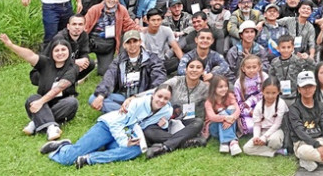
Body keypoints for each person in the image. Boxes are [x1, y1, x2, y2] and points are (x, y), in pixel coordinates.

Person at [41, 85, 173, 169]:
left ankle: (90, 159)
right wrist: (123, 141)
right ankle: (62, 147)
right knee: (67, 159)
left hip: (126, 133)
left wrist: (164, 124)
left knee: (135, 151)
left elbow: (148, 124)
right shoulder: (137, 103)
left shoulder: (166, 110)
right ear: (153, 94)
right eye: (159, 96)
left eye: (166, 98)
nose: (161, 100)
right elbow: (117, 124)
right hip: (109, 126)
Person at [0, 33, 78, 141]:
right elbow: (30, 55)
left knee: (72, 102)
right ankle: (52, 127)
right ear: (51, 53)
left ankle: (36, 121)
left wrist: (40, 102)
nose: (60, 53)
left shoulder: (72, 68)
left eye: (63, 50)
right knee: (32, 98)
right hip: (43, 103)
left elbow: (59, 88)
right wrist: (11, 45)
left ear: (69, 51)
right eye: (57, 50)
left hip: (61, 104)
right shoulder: (45, 62)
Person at [143, 58, 210, 158]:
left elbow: (215, 100)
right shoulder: (176, 81)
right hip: (167, 120)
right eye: (191, 67)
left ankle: (165, 147)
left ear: (202, 71)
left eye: (198, 67)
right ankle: (187, 142)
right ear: (186, 70)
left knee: (198, 122)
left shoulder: (205, 87)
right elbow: (158, 90)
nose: (194, 70)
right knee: (148, 131)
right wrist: (134, 97)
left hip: (186, 122)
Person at [90, 30, 166, 113]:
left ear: (140, 42)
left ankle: (124, 113)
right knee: (93, 98)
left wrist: (137, 97)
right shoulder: (119, 59)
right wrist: (101, 95)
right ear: (124, 45)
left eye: (135, 41)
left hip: (143, 97)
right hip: (123, 95)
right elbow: (109, 76)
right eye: (128, 42)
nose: (132, 45)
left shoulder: (152, 59)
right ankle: (130, 113)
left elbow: (159, 81)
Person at [84, 0, 141, 75]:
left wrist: (143, 30)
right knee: (81, 57)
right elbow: (85, 26)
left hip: (108, 43)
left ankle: (100, 62)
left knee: (104, 72)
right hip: (92, 40)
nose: (112, 0)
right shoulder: (94, 9)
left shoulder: (122, 10)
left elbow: (129, 25)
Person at [31, 15, 94, 84]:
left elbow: (84, 52)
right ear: (68, 26)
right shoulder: (60, 39)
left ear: (84, 26)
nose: (77, 27)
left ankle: (71, 82)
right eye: (74, 24)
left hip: (65, 64)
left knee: (90, 63)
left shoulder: (84, 35)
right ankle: (56, 84)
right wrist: (75, 62)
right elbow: (55, 60)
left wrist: (84, 60)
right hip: (44, 70)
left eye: (80, 24)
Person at [242, 77, 290, 157]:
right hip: (262, 131)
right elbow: (257, 124)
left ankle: (268, 145)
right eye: (267, 93)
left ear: (278, 92)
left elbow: (277, 124)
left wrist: (264, 137)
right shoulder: (259, 106)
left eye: (273, 93)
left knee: (274, 142)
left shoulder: (281, 104)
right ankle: (276, 152)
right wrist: (256, 137)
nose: (270, 96)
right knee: (246, 148)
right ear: (262, 91)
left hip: (276, 131)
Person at [267, 34, 314, 106]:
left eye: (288, 47)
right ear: (278, 48)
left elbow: (314, 67)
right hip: (280, 97)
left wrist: (307, 59)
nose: (286, 50)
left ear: (292, 48)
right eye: (283, 47)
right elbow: (271, 77)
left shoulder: (298, 60)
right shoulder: (274, 62)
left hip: (296, 97)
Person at [203, 74, 242, 155]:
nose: (224, 89)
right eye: (220, 87)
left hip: (229, 124)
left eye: (225, 86)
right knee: (222, 112)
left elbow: (237, 109)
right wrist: (225, 118)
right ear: (214, 88)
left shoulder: (229, 96)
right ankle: (231, 141)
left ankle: (227, 143)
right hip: (214, 128)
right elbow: (212, 116)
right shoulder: (209, 101)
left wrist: (231, 119)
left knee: (232, 109)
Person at [234, 55, 269, 135]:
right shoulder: (238, 83)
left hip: (264, 107)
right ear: (243, 69)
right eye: (248, 67)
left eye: (254, 67)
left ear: (259, 67)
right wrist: (250, 112)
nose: (251, 70)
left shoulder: (264, 77)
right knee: (250, 127)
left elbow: (269, 94)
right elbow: (238, 103)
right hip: (249, 112)